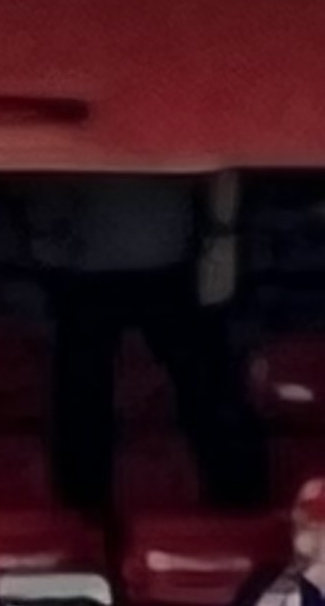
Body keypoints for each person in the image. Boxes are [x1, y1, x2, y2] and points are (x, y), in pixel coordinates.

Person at [28, 173, 264, 524]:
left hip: (152, 267)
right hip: (100, 271)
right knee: (84, 403)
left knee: (204, 392)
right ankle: (82, 521)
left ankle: (242, 512)